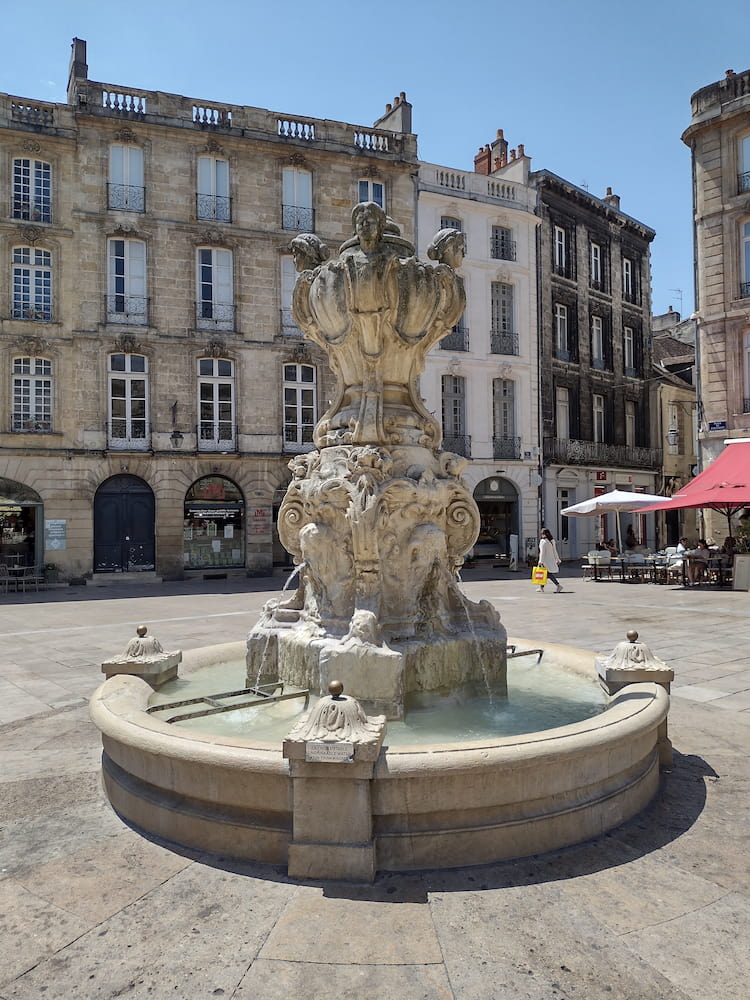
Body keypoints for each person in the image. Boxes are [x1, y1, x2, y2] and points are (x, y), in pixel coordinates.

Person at [537, 528, 563, 593]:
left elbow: (542, 552)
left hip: (545, 561)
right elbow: (555, 551)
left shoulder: (543, 542)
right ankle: (541, 587)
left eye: (542, 534)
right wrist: (557, 559)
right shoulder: (551, 541)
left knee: (546, 573)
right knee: (545, 573)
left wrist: (540, 561)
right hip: (550, 560)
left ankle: (558, 585)